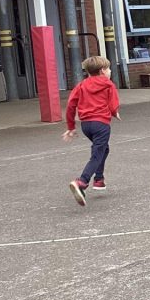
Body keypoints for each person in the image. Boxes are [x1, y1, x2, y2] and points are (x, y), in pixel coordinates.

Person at [62, 55, 121, 206]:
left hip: (86, 126)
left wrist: (70, 127)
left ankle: (99, 180)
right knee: (97, 154)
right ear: (102, 71)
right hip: (101, 124)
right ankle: (82, 182)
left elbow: (70, 105)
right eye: (108, 68)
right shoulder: (108, 84)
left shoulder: (81, 85)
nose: (110, 71)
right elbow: (113, 104)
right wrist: (115, 112)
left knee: (103, 149)